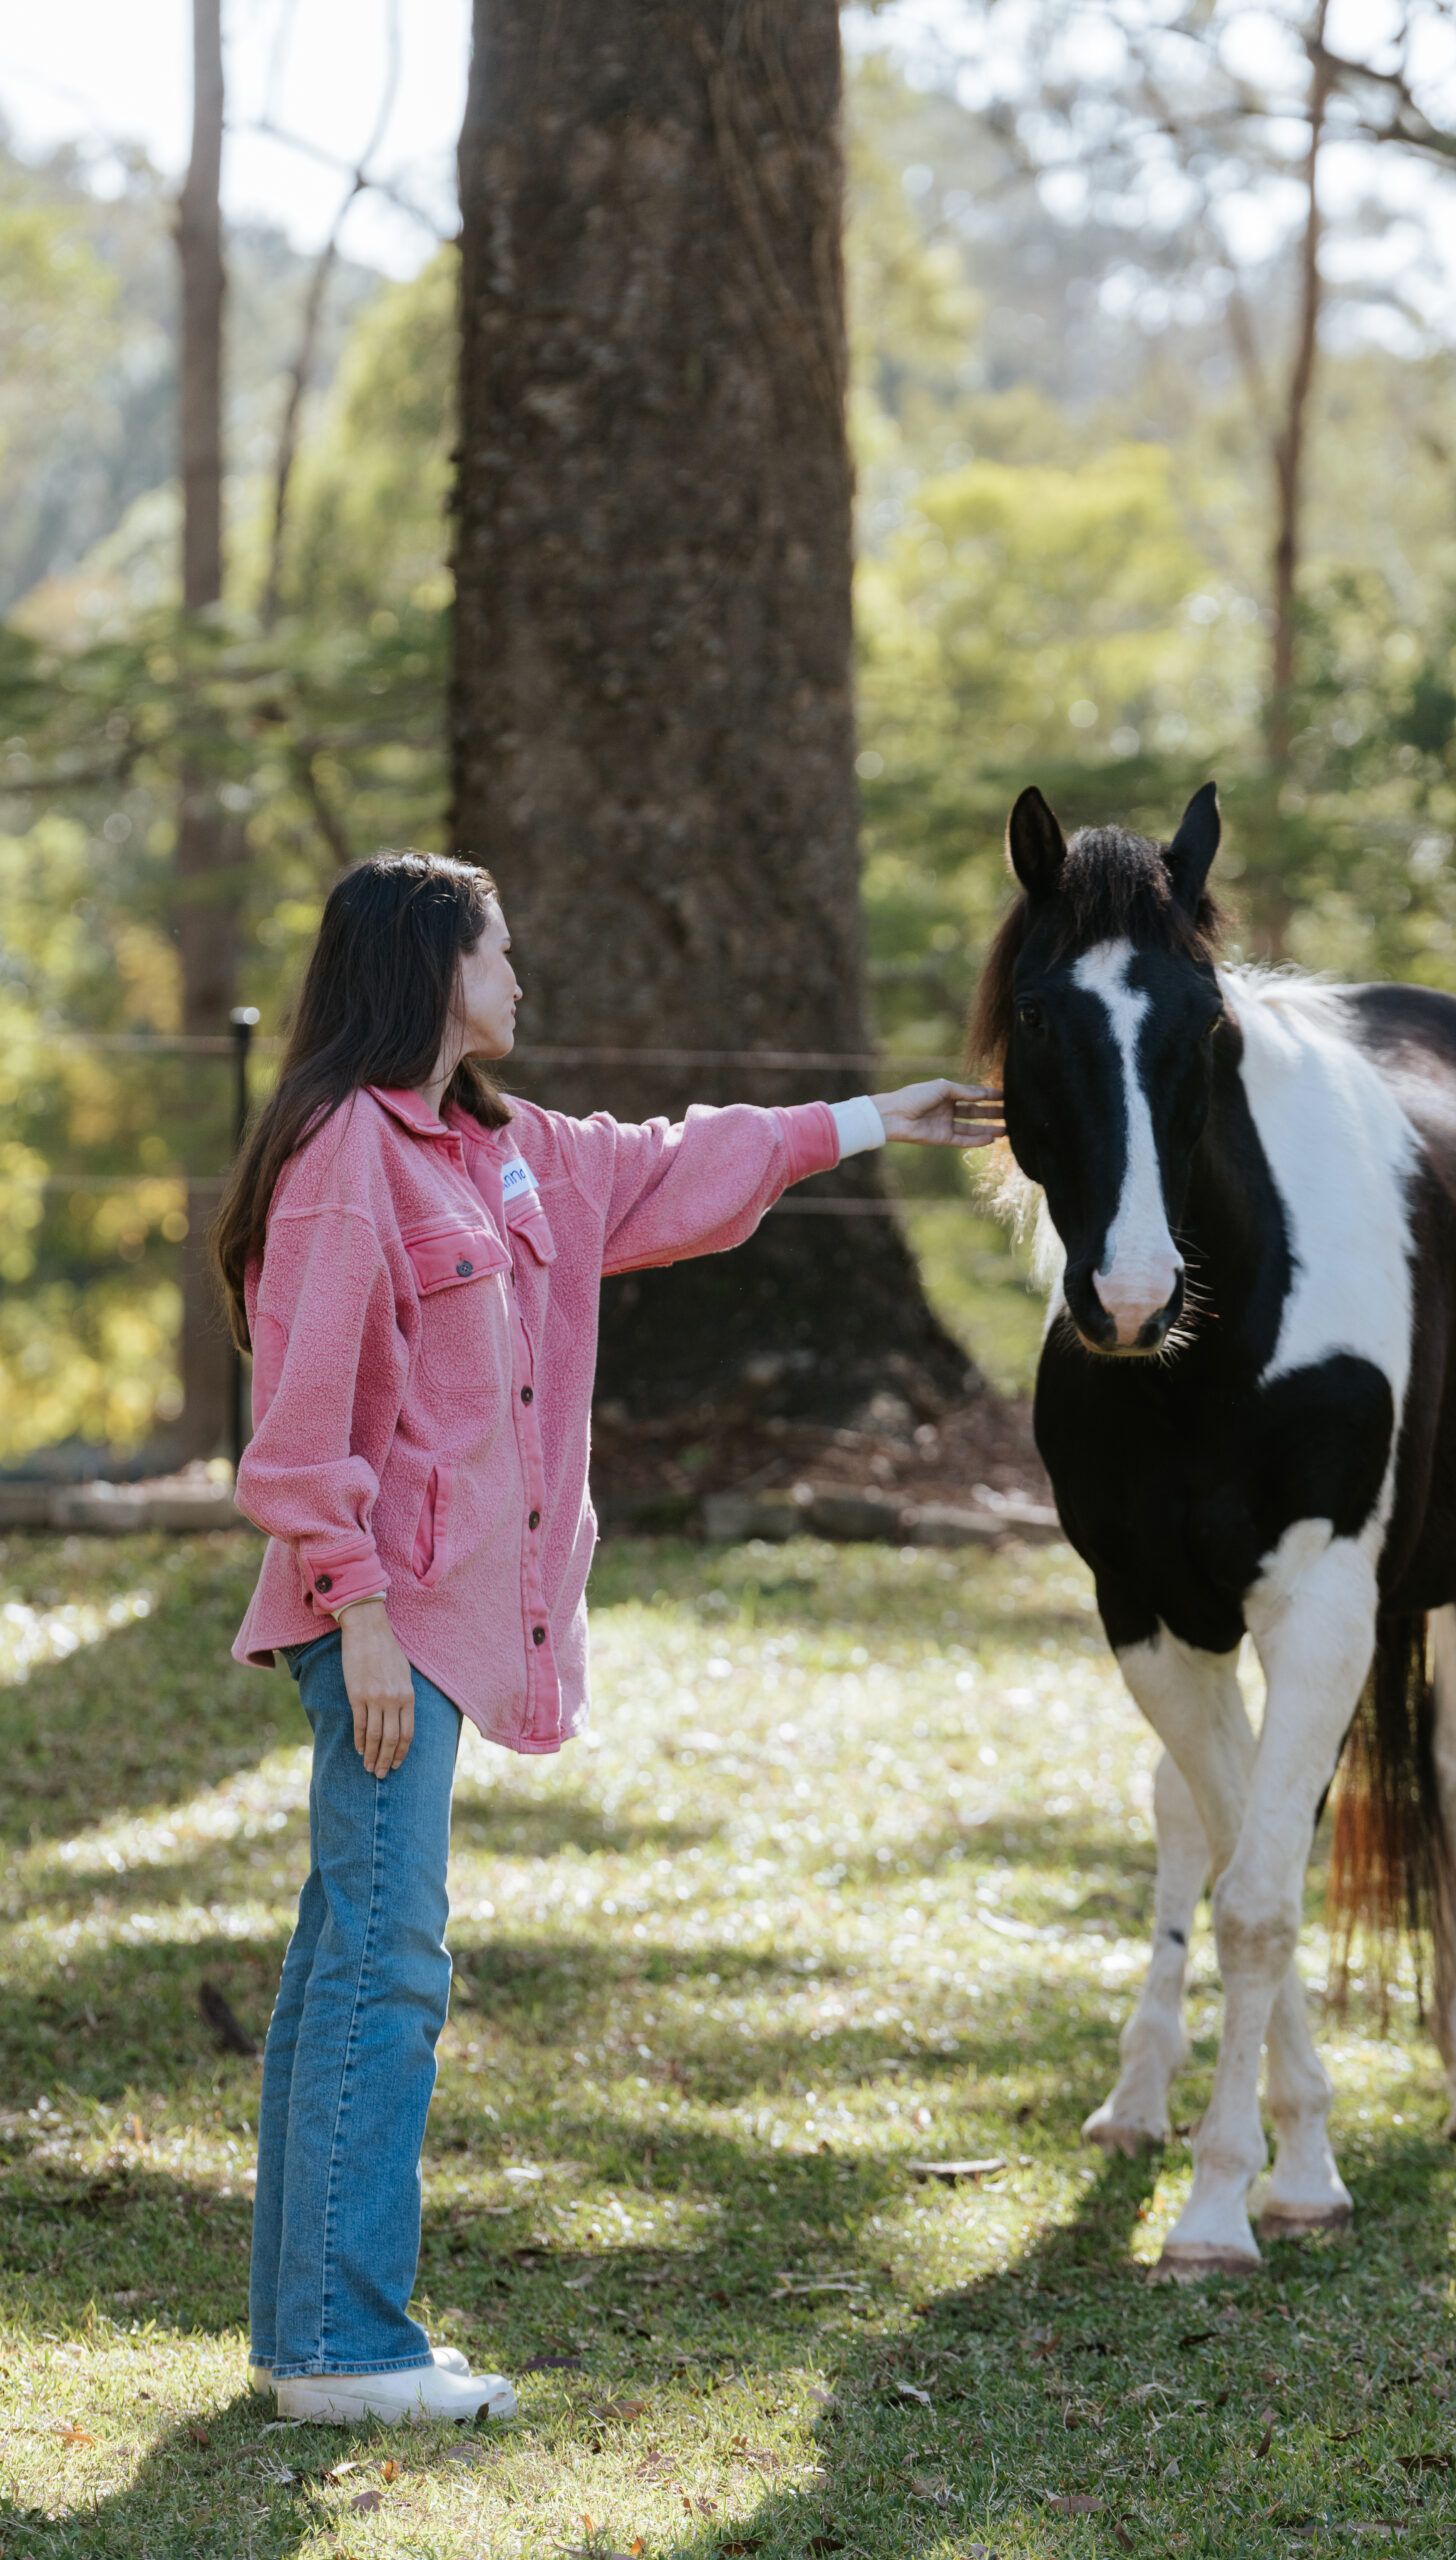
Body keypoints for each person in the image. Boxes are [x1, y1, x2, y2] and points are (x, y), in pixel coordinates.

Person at [211, 849, 1001, 2427]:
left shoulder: (501, 1152)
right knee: (390, 1965)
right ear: (435, 967)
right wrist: (358, 1616)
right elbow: (298, 1431)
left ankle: (308, 2334)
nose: (519, 976)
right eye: (498, 951)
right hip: (388, 1625)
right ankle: (344, 2349)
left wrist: (869, 1122)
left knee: (344, 1961)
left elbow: (668, 1163)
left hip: (425, 1618)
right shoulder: (343, 1160)